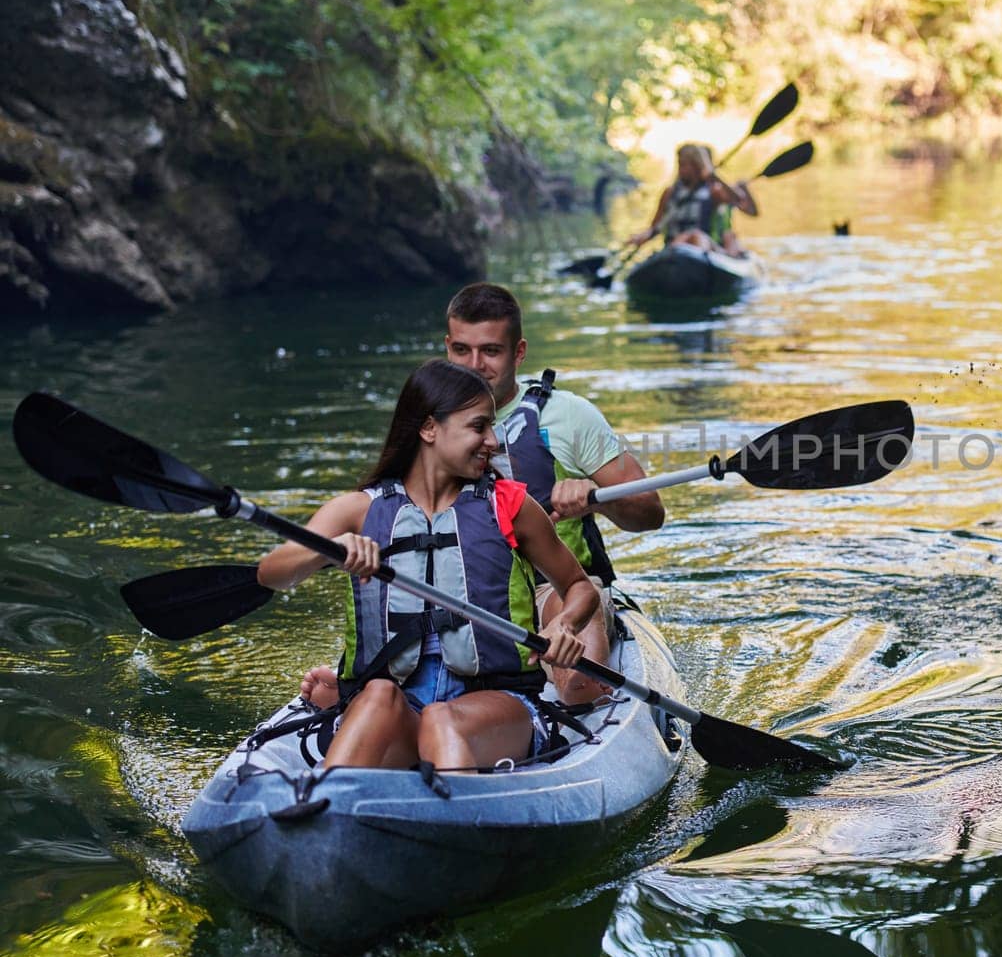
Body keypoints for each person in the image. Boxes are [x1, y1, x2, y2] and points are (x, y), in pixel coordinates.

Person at [302, 283, 666, 711]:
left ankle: (570, 693)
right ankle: (365, 689)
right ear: (446, 347)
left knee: (574, 651)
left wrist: (598, 497)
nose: (475, 365)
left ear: (519, 352)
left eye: (491, 351)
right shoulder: (433, 414)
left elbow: (651, 514)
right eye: (461, 350)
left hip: (553, 586)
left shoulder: (569, 417)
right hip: (460, 590)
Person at [261, 359, 598, 771]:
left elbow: (579, 586)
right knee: (377, 695)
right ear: (428, 428)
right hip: (399, 707)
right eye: (479, 426)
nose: (493, 440)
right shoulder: (359, 510)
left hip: (497, 707)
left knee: (442, 720)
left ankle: (455, 818)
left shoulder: (510, 505)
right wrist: (329, 548)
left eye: (492, 426)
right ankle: (326, 814)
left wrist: (564, 625)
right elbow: (272, 574)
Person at [626, 143, 757, 254]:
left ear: (697, 166)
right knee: (683, 241)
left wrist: (712, 175)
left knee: (695, 236)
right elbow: (655, 227)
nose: (680, 169)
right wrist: (642, 236)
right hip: (673, 251)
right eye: (679, 164)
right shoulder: (670, 192)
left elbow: (739, 200)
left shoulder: (713, 191)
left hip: (704, 249)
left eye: (684, 165)